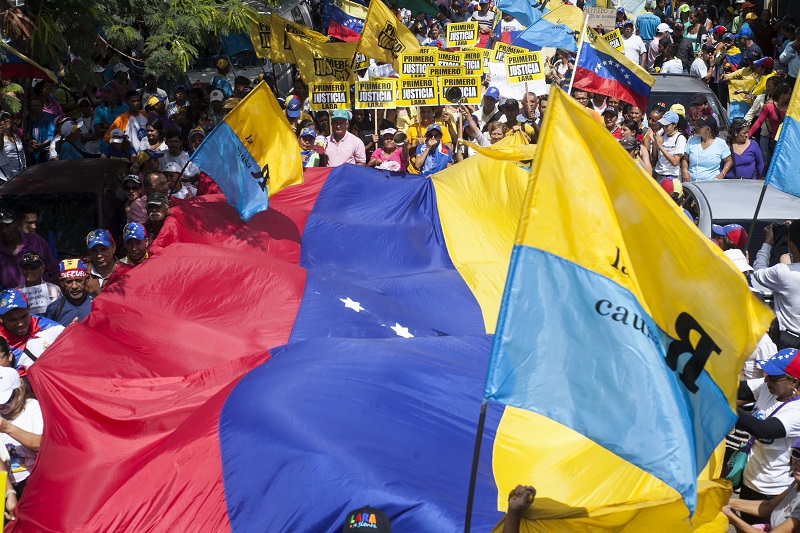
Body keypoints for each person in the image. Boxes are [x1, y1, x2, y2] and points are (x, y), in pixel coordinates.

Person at [735, 348, 800, 524]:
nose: (766, 379)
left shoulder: (797, 410)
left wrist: (722, 406)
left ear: (793, 381)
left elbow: (763, 430)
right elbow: (735, 391)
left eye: (773, 376)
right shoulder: (768, 387)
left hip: (773, 492)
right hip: (750, 481)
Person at [724, 437, 800, 532]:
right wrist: (727, 502)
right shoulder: (796, 484)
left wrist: (731, 516)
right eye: (797, 454)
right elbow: (768, 506)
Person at [753, 221, 800, 350]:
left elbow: (758, 270)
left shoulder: (782, 272)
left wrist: (768, 242)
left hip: (790, 342)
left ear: (792, 245)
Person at [0, 366, 42, 498]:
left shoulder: (33, 408)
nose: (2, 406)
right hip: (5, 485)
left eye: (7, 400)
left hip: (32, 481)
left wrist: (7, 428)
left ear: (20, 389)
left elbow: (40, 444)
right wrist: (8, 491)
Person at [0, 288, 64, 367]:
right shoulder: (1, 343)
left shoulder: (52, 328)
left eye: (24, 316)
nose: (20, 323)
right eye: (13, 320)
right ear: (1, 319)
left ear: (29, 308)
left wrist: (73, 334)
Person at [0, 209, 58, 289]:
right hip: (15, 300)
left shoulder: (35, 240)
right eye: (0, 227)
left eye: (7, 226)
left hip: (44, 298)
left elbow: (54, 272)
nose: (3, 231)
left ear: (17, 224)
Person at [749, 81, 792, 170]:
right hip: (776, 142)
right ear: (782, 95)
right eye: (789, 94)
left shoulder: (792, 107)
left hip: (790, 141)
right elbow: (758, 123)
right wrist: (748, 136)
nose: (791, 96)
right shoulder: (768, 107)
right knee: (773, 166)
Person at [681, 116, 732, 181]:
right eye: (697, 125)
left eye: (700, 126)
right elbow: (685, 159)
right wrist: (685, 171)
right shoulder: (691, 140)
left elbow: (729, 161)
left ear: (708, 129)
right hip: (692, 183)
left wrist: (723, 173)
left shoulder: (720, 143)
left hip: (712, 183)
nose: (696, 127)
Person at [45, 259, 93, 327]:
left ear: (87, 279)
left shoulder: (98, 304)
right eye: (69, 282)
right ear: (62, 283)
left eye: (79, 280)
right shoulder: (54, 309)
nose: (74, 286)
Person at [652, 111, 687, 180]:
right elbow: (655, 158)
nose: (664, 128)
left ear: (675, 125)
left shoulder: (680, 138)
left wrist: (661, 147)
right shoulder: (661, 134)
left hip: (672, 176)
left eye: (667, 126)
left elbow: (675, 162)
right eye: (662, 125)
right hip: (659, 174)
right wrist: (654, 143)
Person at [85, 229, 117, 295]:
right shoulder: (82, 273)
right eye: (94, 251)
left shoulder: (127, 272)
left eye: (103, 249)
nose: (99, 255)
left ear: (113, 247)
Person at [28, 98, 56, 165]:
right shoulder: (31, 120)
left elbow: (51, 136)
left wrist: (41, 145)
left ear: (42, 106)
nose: (36, 108)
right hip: (37, 152)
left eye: (38, 105)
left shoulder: (48, 118)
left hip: (47, 151)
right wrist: (32, 142)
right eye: (34, 105)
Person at [0, 112, 24, 181]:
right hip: (5, 177)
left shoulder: (15, 136)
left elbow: (21, 153)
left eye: (8, 118)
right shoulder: (1, 137)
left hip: (19, 173)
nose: (6, 120)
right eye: (2, 119)